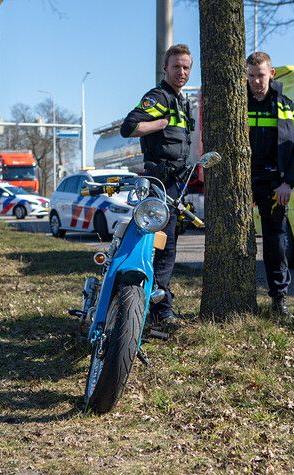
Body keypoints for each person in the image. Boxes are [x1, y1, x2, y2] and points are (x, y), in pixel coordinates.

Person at [120, 44, 195, 329]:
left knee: (168, 247)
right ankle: (159, 309)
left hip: (176, 185)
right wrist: (160, 123)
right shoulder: (159, 97)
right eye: (176, 66)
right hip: (159, 184)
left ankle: (154, 304)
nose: (182, 72)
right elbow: (128, 127)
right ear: (165, 68)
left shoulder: (182, 101)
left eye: (186, 67)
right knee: (159, 247)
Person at [246, 52, 294, 319]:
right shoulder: (240, 104)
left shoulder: (287, 106)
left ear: (271, 74)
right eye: (251, 75)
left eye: (261, 75)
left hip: (275, 183)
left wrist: (287, 183)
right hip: (243, 183)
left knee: (276, 244)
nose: (256, 81)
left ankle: (279, 301)